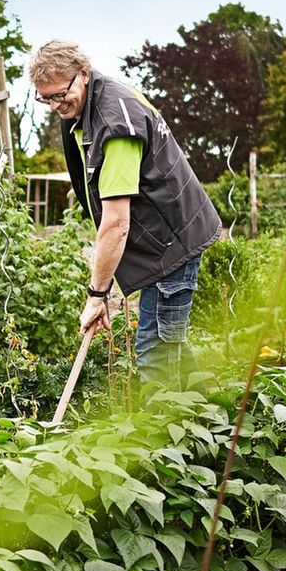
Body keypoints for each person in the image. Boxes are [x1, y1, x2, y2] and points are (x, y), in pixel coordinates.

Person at [29, 39, 222, 382]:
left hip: (172, 242)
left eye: (59, 94)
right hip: (162, 236)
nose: (55, 105)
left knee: (155, 353)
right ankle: (209, 407)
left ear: (83, 73)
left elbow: (116, 223)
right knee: (169, 345)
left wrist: (96, 295)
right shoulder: (85, 105)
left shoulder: (115, 125)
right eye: (46, 98)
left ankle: (165, 418)